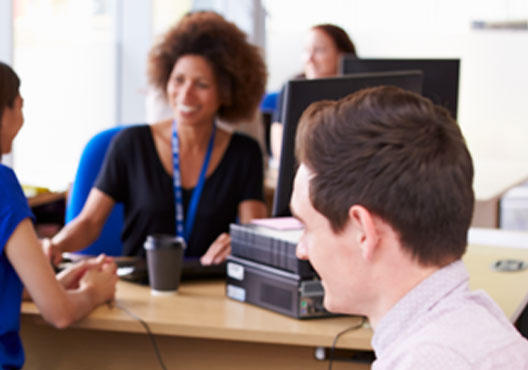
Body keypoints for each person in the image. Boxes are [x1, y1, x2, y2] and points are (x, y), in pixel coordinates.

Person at [290, 86, 528, 369]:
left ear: (364, 232)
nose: (301, 250)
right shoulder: (478, 327)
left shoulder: (424, 361)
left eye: (307, 228)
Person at [0, 55, 118, 370]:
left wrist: (56, 282)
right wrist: (96, 291)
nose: (23, 119)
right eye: (19, 106)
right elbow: (59, 313)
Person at [45, 11, 267, 266]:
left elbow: (255, 237)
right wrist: (55, 245)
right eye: (178, 80)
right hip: (141, 283)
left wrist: (238, 247)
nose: (186, 94)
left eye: (202, 84)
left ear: (226, 93)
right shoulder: (131, 144)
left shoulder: (244, 153)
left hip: (209, 282)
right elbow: (89, 222)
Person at [269, 24, 356, 163]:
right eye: (306, 50)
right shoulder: (292, 88)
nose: (309, 59)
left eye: (319, 50)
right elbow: (279, 145)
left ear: (342, 55)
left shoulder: (356, 94)